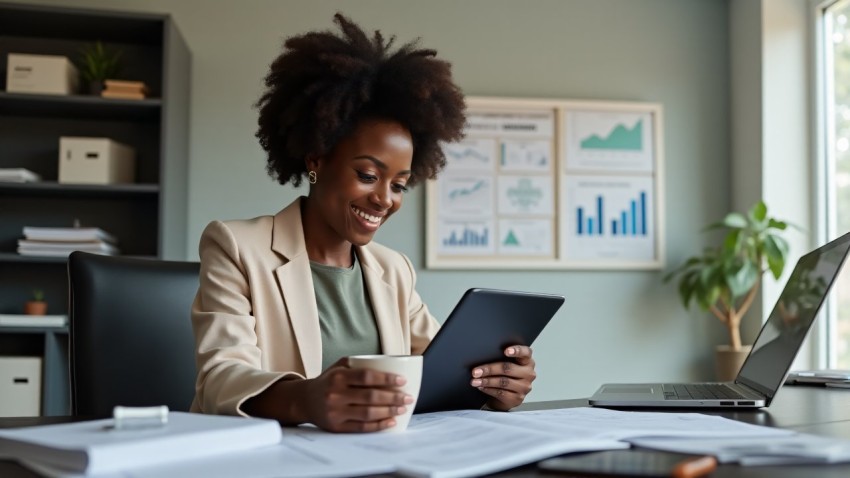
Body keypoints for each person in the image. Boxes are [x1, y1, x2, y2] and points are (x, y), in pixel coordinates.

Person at [191, 13, 538, 433]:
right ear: (316, 159)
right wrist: (308, 398)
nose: (384, 199)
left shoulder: (394, 269)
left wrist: (494, 384)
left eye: (400, 185)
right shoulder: (237, 246)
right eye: (368, 176)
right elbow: (220, 378)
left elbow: (441, 370)